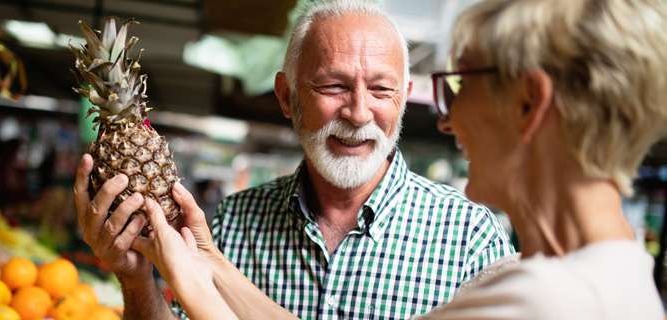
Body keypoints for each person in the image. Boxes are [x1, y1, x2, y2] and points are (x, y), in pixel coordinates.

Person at [132, 0, 667, 319]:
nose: (447, 118)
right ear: (288, 95)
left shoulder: (549, 300)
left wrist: (197, 277)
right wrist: (207, 262)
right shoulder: (614, 279)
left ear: (529, 104)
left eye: (463, 83)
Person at [75, 0, 515, 319]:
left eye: (381, 90)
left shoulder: (470, 239)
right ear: (287, 97)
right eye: (333, 87)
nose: (359, 113)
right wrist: (136, 283)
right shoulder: (232, 223)